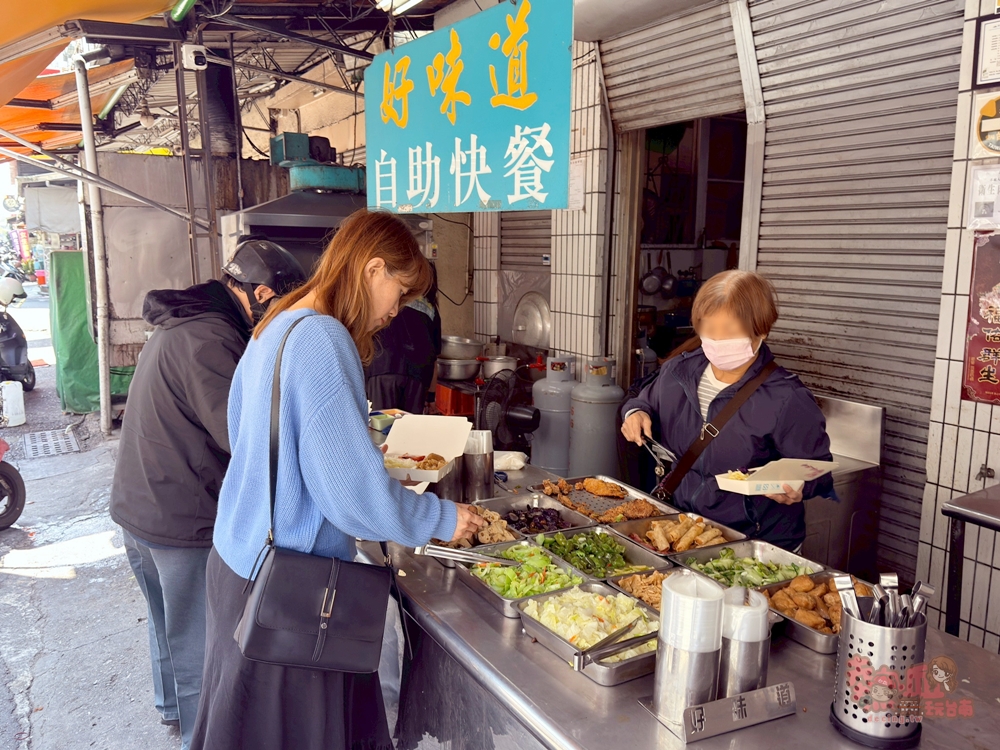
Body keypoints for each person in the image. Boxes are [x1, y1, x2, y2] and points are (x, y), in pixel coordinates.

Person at [190, 209, 484, 750]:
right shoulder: (323, 338)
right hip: (289, 590)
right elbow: (352, 499)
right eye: (400, 291)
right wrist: (443, 519)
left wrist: (351, 450)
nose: (397, 310)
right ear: (373, 269)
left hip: (238, 565)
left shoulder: (279, 321)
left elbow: (245, 433)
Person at [109, 240, 307, 750]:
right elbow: (239, 435)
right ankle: (197, 736)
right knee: (198, 643)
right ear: (261, 295)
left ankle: (171, 711)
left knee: (166, 624)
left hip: (140, 505)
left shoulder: (185, 320)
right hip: (180, 516)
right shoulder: (211, 338)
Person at [621, 270, 835, 551]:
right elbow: (644, 401)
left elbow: (818, 470)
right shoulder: (677, 371)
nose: (718, 340)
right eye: (709, 330)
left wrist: (799, 486)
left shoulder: (787, 398)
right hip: (684, 529)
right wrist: (635, 412)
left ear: (761, 330)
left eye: (730, 331)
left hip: (755, 542)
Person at [366, 263, 442, 414]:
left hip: (383, 368)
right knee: (408, 426)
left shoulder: (388, 298)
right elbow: (434, 360)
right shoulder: (431, 308)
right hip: (418, 375)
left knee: (381, 424)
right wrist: (431, 397)